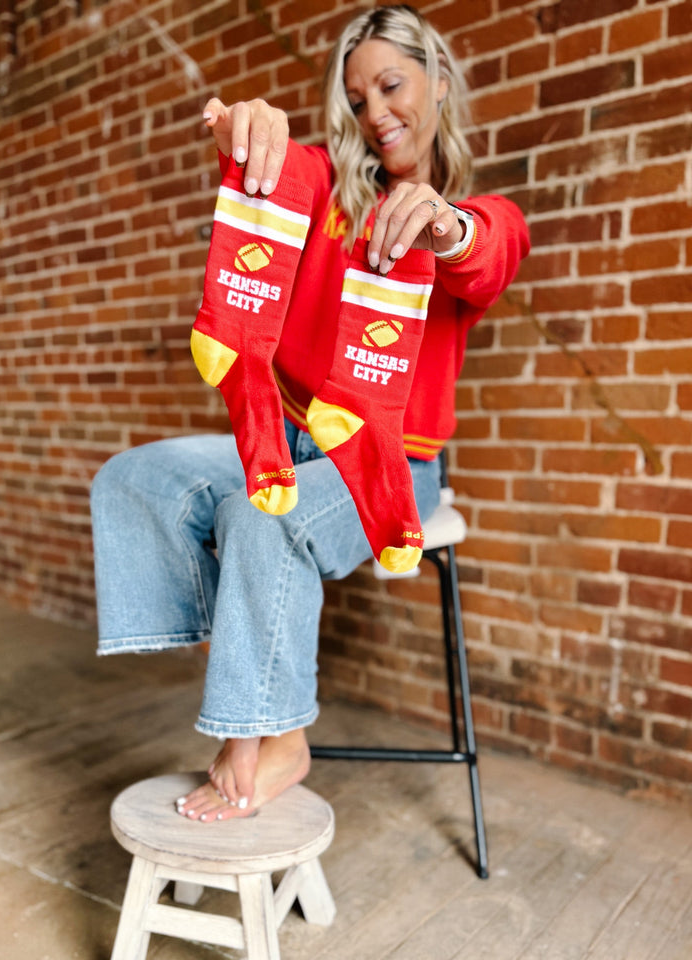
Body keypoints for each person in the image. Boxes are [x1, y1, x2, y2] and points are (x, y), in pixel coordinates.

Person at [91, 4, 530, 823]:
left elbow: (491, 252)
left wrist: (446, 226)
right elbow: (284, 169)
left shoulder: (479, 215)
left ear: (438, 82)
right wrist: (249, 133)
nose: (375, 113)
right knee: (138, 477)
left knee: (264, 518)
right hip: (284, 438)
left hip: (398, 467)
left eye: (391, 86)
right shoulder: (330, 185)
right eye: (357, 99)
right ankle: (240, 662)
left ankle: (275, 734)